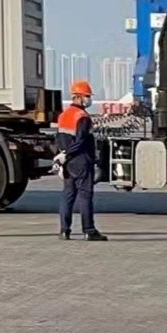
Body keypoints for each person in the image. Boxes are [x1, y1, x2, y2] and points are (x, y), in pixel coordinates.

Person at [53, 79, 108, 242]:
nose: (88, 99)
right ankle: (89, 230)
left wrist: (61, 156)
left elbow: (59, 138)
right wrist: (69, 153)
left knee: (68, 195)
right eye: (86, 96)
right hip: (82, 160)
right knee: (85, 196)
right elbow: (81, 141)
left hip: (68, 162)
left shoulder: (64, 115)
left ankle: (64, 230)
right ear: (77, 97)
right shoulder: (82, 116)